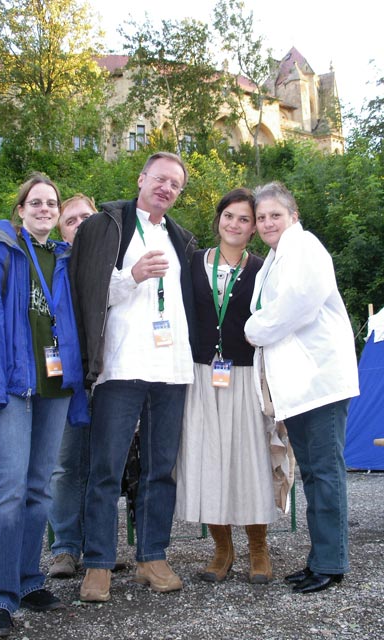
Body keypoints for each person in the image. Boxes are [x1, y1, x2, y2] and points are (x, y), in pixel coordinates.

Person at [0, 173, 87, 638]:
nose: (43, 209)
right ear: (20, 209)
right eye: (35, 202)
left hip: (55, 387)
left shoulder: (62, 257)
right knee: (9, 487)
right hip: (12, 387)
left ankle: (26, 579)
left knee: (39, 488)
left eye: (50, 204)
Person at [70, 151, 197, 602]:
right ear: (141, 178)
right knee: (105, 468)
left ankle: (152, 557)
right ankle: (99, 564)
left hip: (171, 368)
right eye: (160, 179)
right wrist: (132, 276)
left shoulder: (183, 239)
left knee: (160, 468)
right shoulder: (106, 226)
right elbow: (85, 291)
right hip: (121, 367)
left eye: (175, 185)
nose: (166, 188)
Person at [244, 181, 359, 594]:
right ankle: (319, 559)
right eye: (261, 217)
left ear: (294, 216)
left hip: (319, 382)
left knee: (325, 473)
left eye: (276, 214)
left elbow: (294, 306)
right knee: (313, 473)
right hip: (300, 385)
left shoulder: (304, 247)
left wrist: (251, 329)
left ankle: (331, 562)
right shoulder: (277, 256)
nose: (268, 222)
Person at [175, 188, 291, 585]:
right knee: (206, 460)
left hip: (243, 373)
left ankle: (258, 548)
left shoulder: (263, 268)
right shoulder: (192, 263)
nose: (236, 225)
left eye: (245, 219)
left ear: (254, 228)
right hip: (201, 375)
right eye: (230, 216)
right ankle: (222, 549)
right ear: (218, 219)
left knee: (250, 459)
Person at [48, 194, 97, 579]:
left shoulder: (115, 261)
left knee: (105, 468)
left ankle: (99, 550)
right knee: (67, 465)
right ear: (60, 228)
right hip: (66, 380)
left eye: (86, 218)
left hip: (112, 378)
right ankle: (65, 547)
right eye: (71, 220)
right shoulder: (51, 264)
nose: (79, 224)